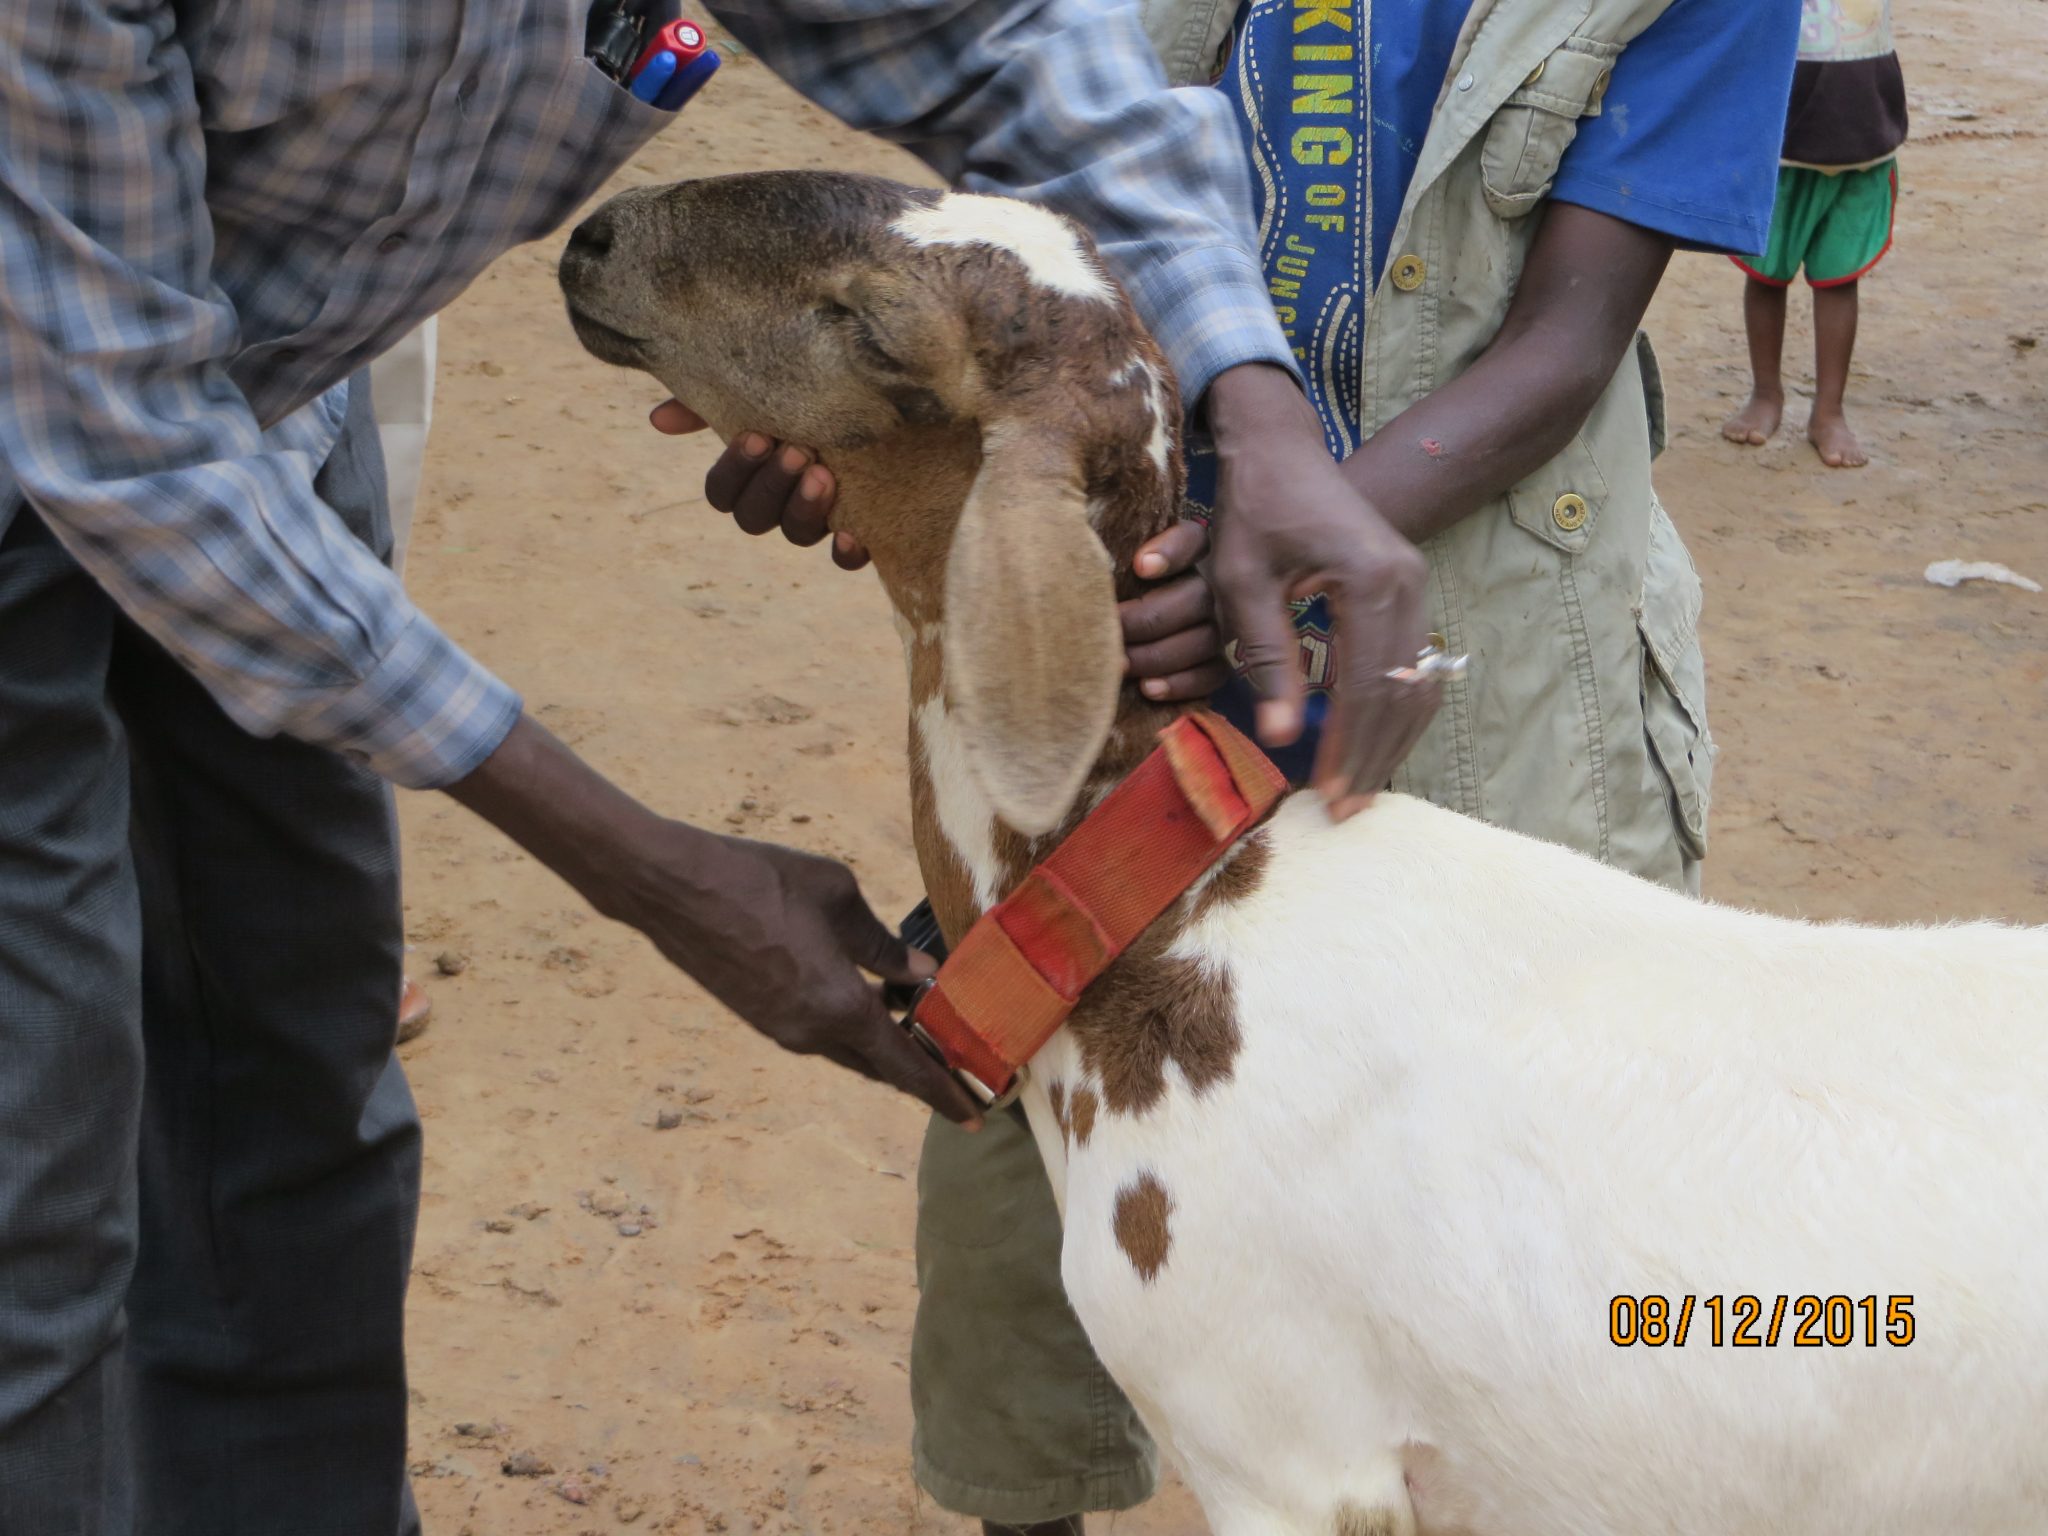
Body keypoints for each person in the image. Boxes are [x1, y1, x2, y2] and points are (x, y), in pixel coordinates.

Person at [0, 2, 1430, 1531]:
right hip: (66, 390)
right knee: (31, 1189)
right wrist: (641, 864)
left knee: (288, 1084)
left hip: (277, 394)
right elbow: (122, 430)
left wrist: (1253, 397)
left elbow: (1001, 34)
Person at [700, 0, 1799, 1530]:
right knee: (1036, 1204)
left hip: (1462, 671)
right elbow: (1026, 241)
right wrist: (869, 434)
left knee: (1501, 1261)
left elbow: (1566, 343)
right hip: (1114, 676)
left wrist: (1286, 534)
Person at [1724, 0, 1908, 467]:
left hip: (1860, 134)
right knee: (1767, 275)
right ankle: (1766, 394)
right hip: (1780, 141)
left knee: (1839, 280)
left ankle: (1828, 412)